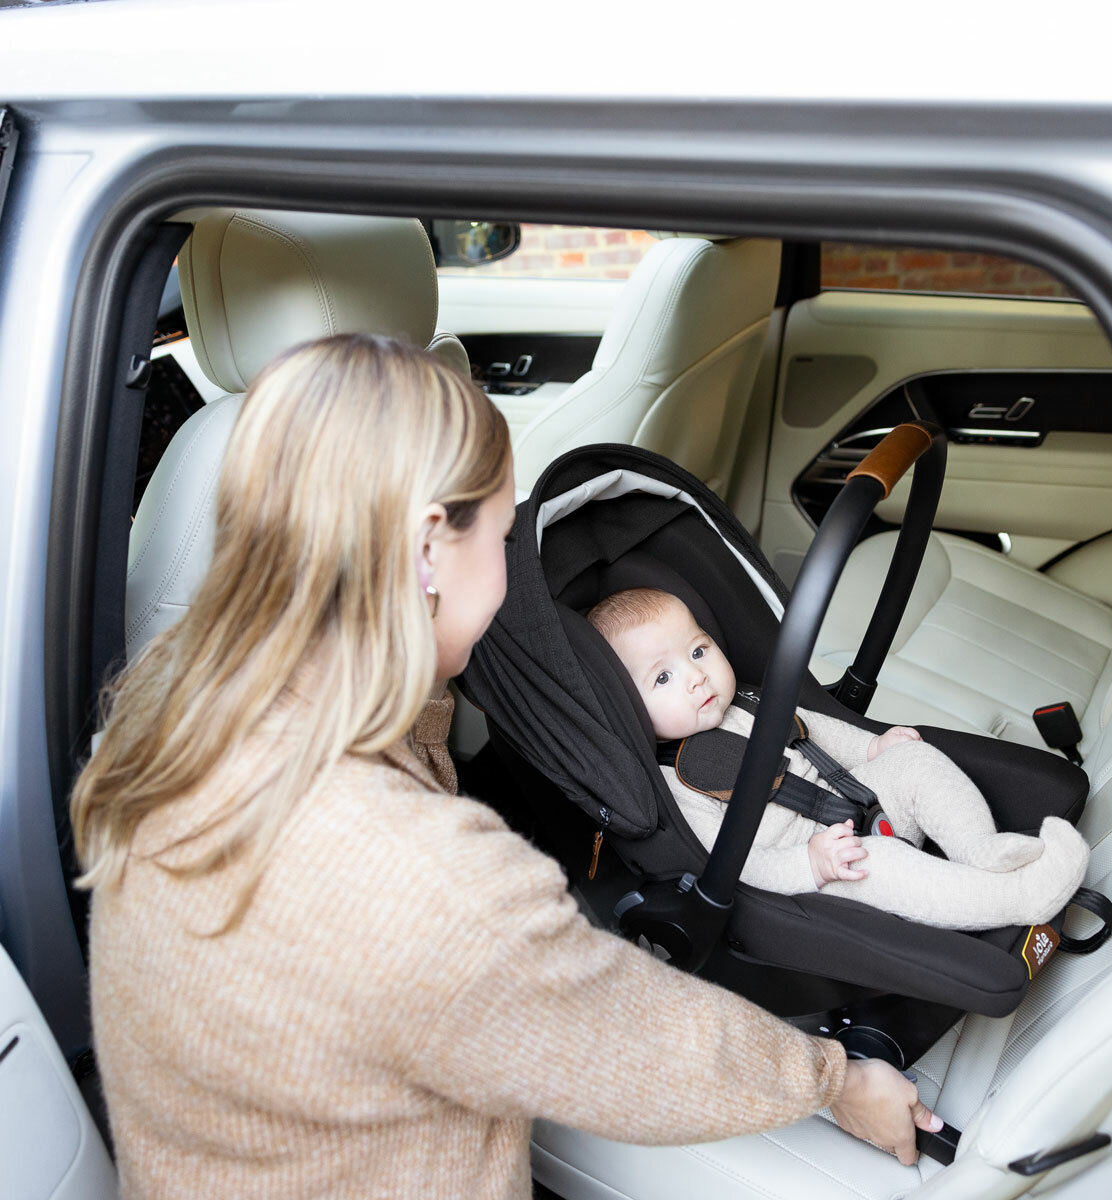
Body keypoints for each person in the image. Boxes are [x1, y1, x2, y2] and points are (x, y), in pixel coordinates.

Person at [72, 334, 941, 1199]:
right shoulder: (420, 876)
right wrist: (837, 1081)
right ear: (423, 553)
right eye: (502, 525)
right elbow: (631, 1040)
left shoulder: (166, 716)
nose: (515, 554)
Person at [587, 587, 1089, 931]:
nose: (696, 677)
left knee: (916, 763)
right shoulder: (677, 781)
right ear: (626, 707)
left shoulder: (753, 701)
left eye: (698, 651)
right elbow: (731, 865)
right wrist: (811, 865)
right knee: (881, 863)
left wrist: (874, 749)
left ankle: (980, 848)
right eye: (662, 677)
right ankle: (1019, 898)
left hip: (861, 795)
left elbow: (819, 733)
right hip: (822, 863)